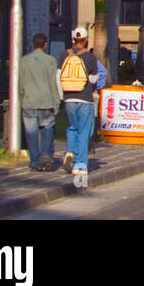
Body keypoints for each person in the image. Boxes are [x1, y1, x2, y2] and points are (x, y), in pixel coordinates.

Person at [58, 26, 101, 178]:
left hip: (69, 98)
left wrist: (62, 96)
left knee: (72, 128)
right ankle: (80, 165)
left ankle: (70, 151)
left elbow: (59, 77)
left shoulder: (64, 55)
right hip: (85, 99)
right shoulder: (89, 57)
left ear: (73, 39)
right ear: (86, 40)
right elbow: (95, 78)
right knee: (84, 131)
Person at [19, 33, 61, 172]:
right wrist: (56, 103)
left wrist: (21, 99)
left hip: (29, 101)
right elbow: (53, 83)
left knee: (31, 134)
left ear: (33, 44)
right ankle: (46, 155)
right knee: (47, 130)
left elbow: (20, 83)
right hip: (46, 101)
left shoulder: (24, 60)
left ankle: (34, 161)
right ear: (45, 45)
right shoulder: (50, 60)